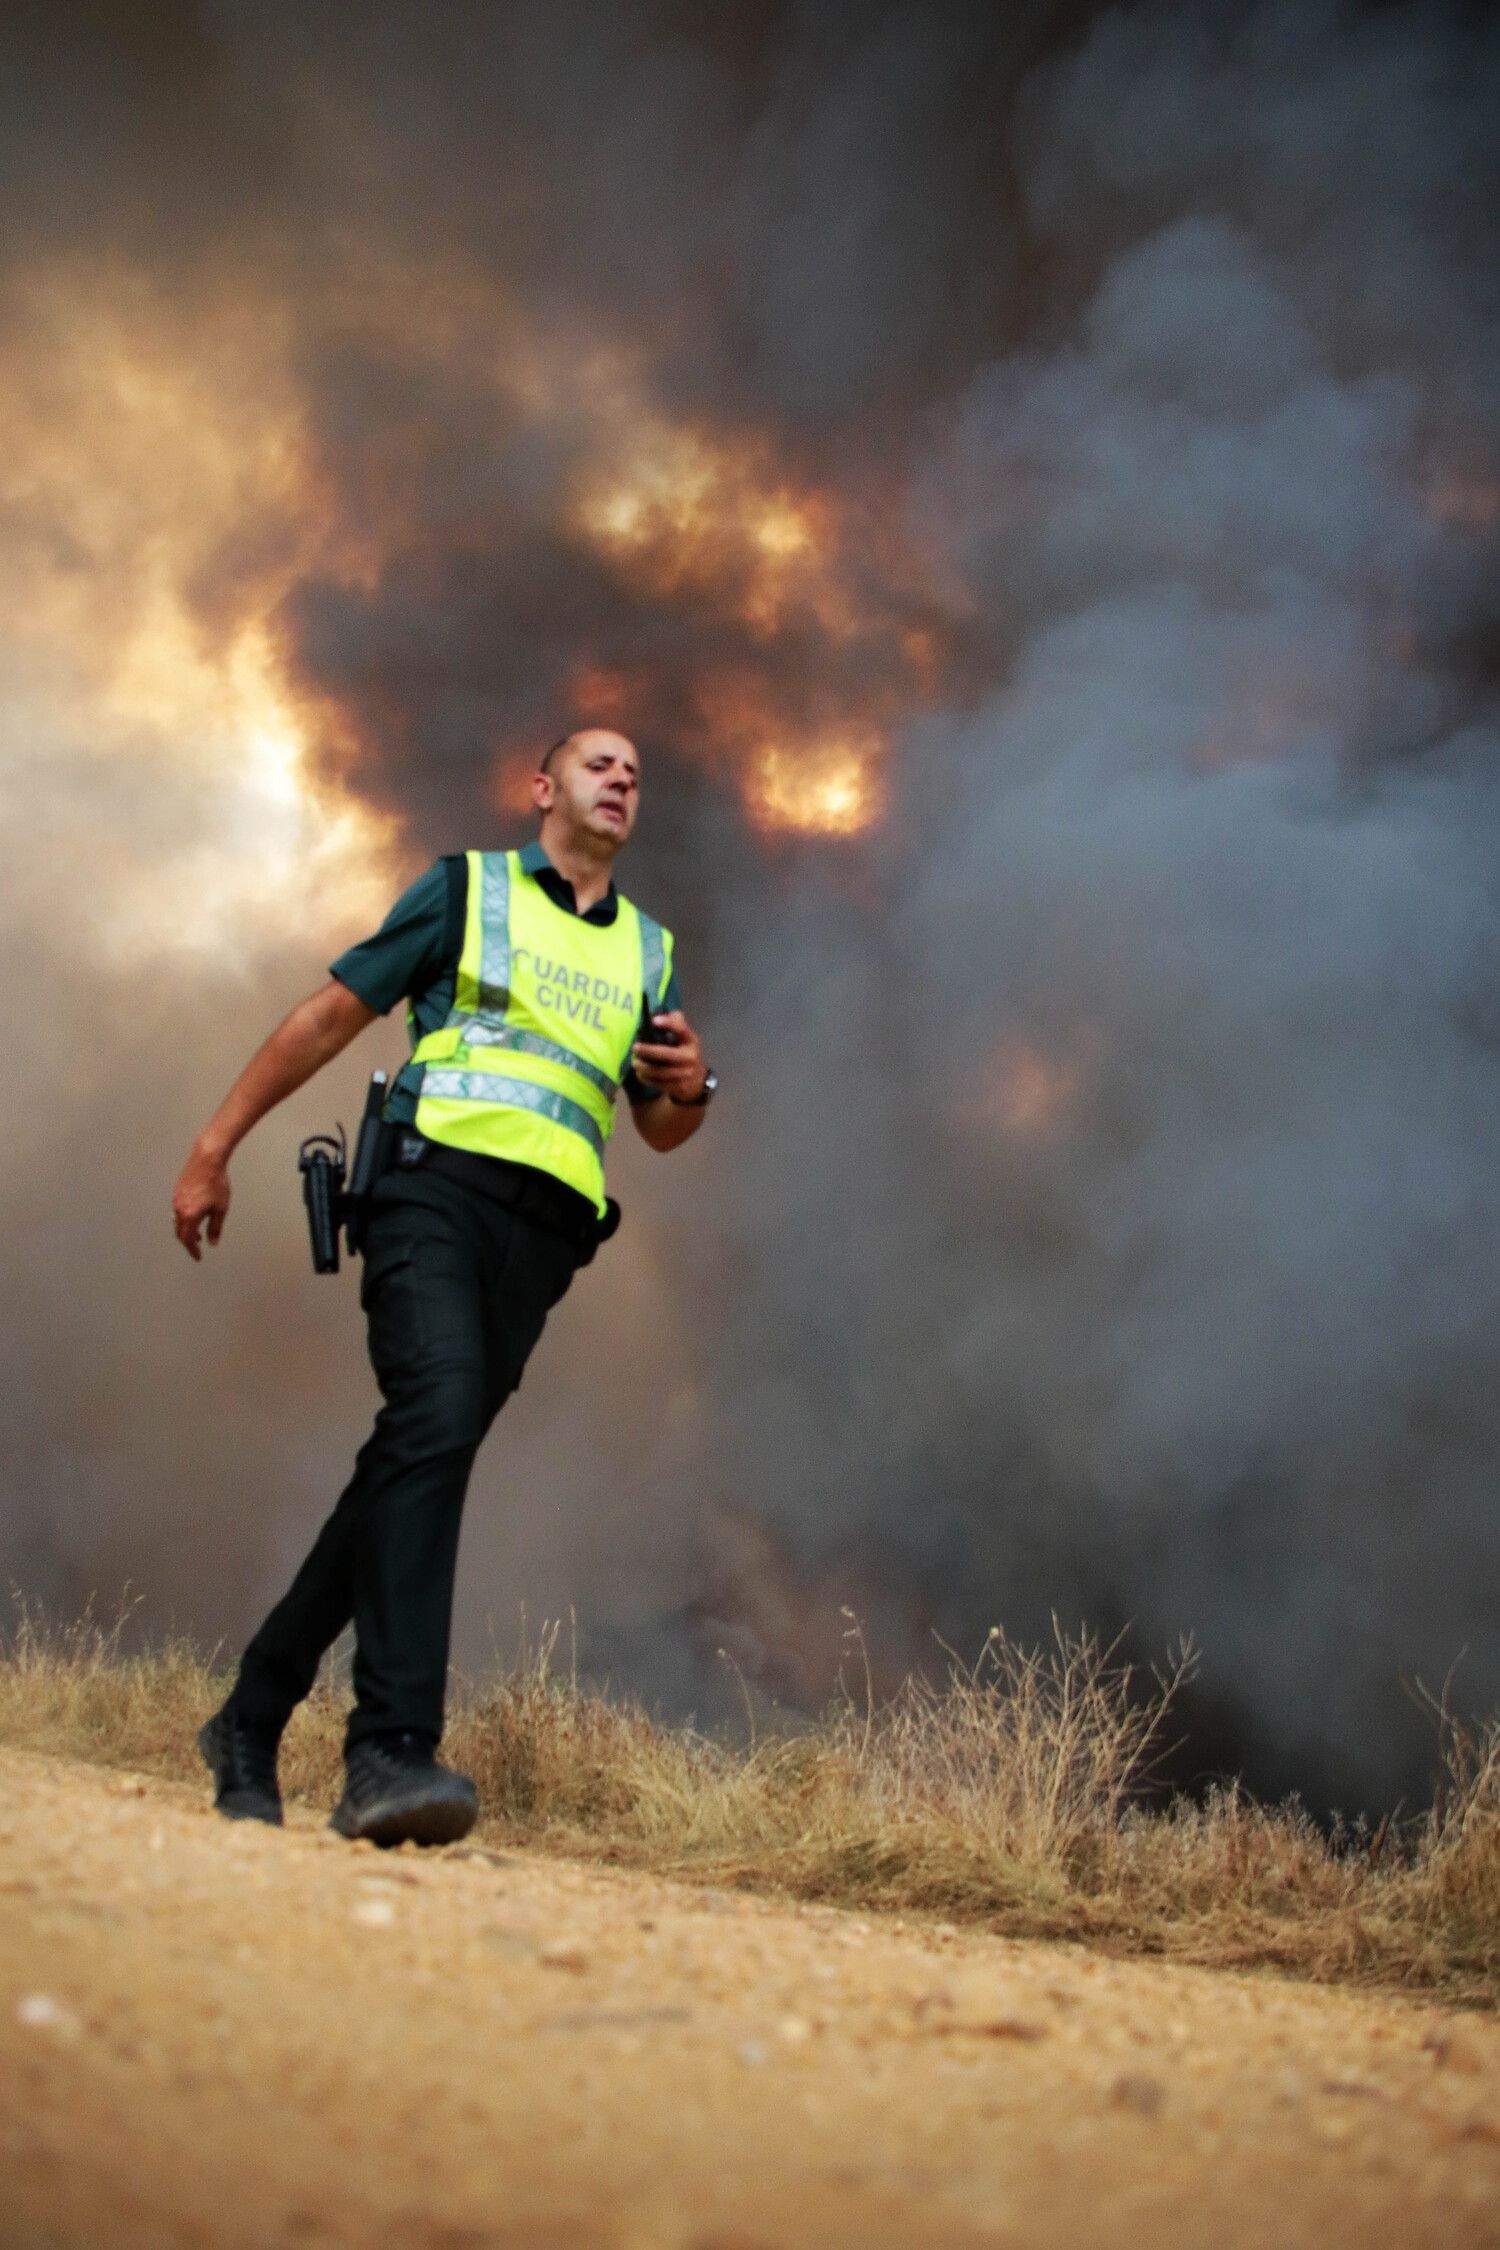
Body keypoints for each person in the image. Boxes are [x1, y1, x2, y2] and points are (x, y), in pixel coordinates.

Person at [170, 728, 716, 1846]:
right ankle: (390, 1749)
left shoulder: (649, 953)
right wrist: (213, 1147)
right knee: (436, 1416)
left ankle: (250, 1717)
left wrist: (695, 1085)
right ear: (542, 788)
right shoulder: (468, 891)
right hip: (430, 1193)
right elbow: (331, 1014)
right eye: (599, 764)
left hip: (544, 1242)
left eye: (635, 773)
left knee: (422, 1446)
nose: (622, 779)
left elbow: (660, 1129)